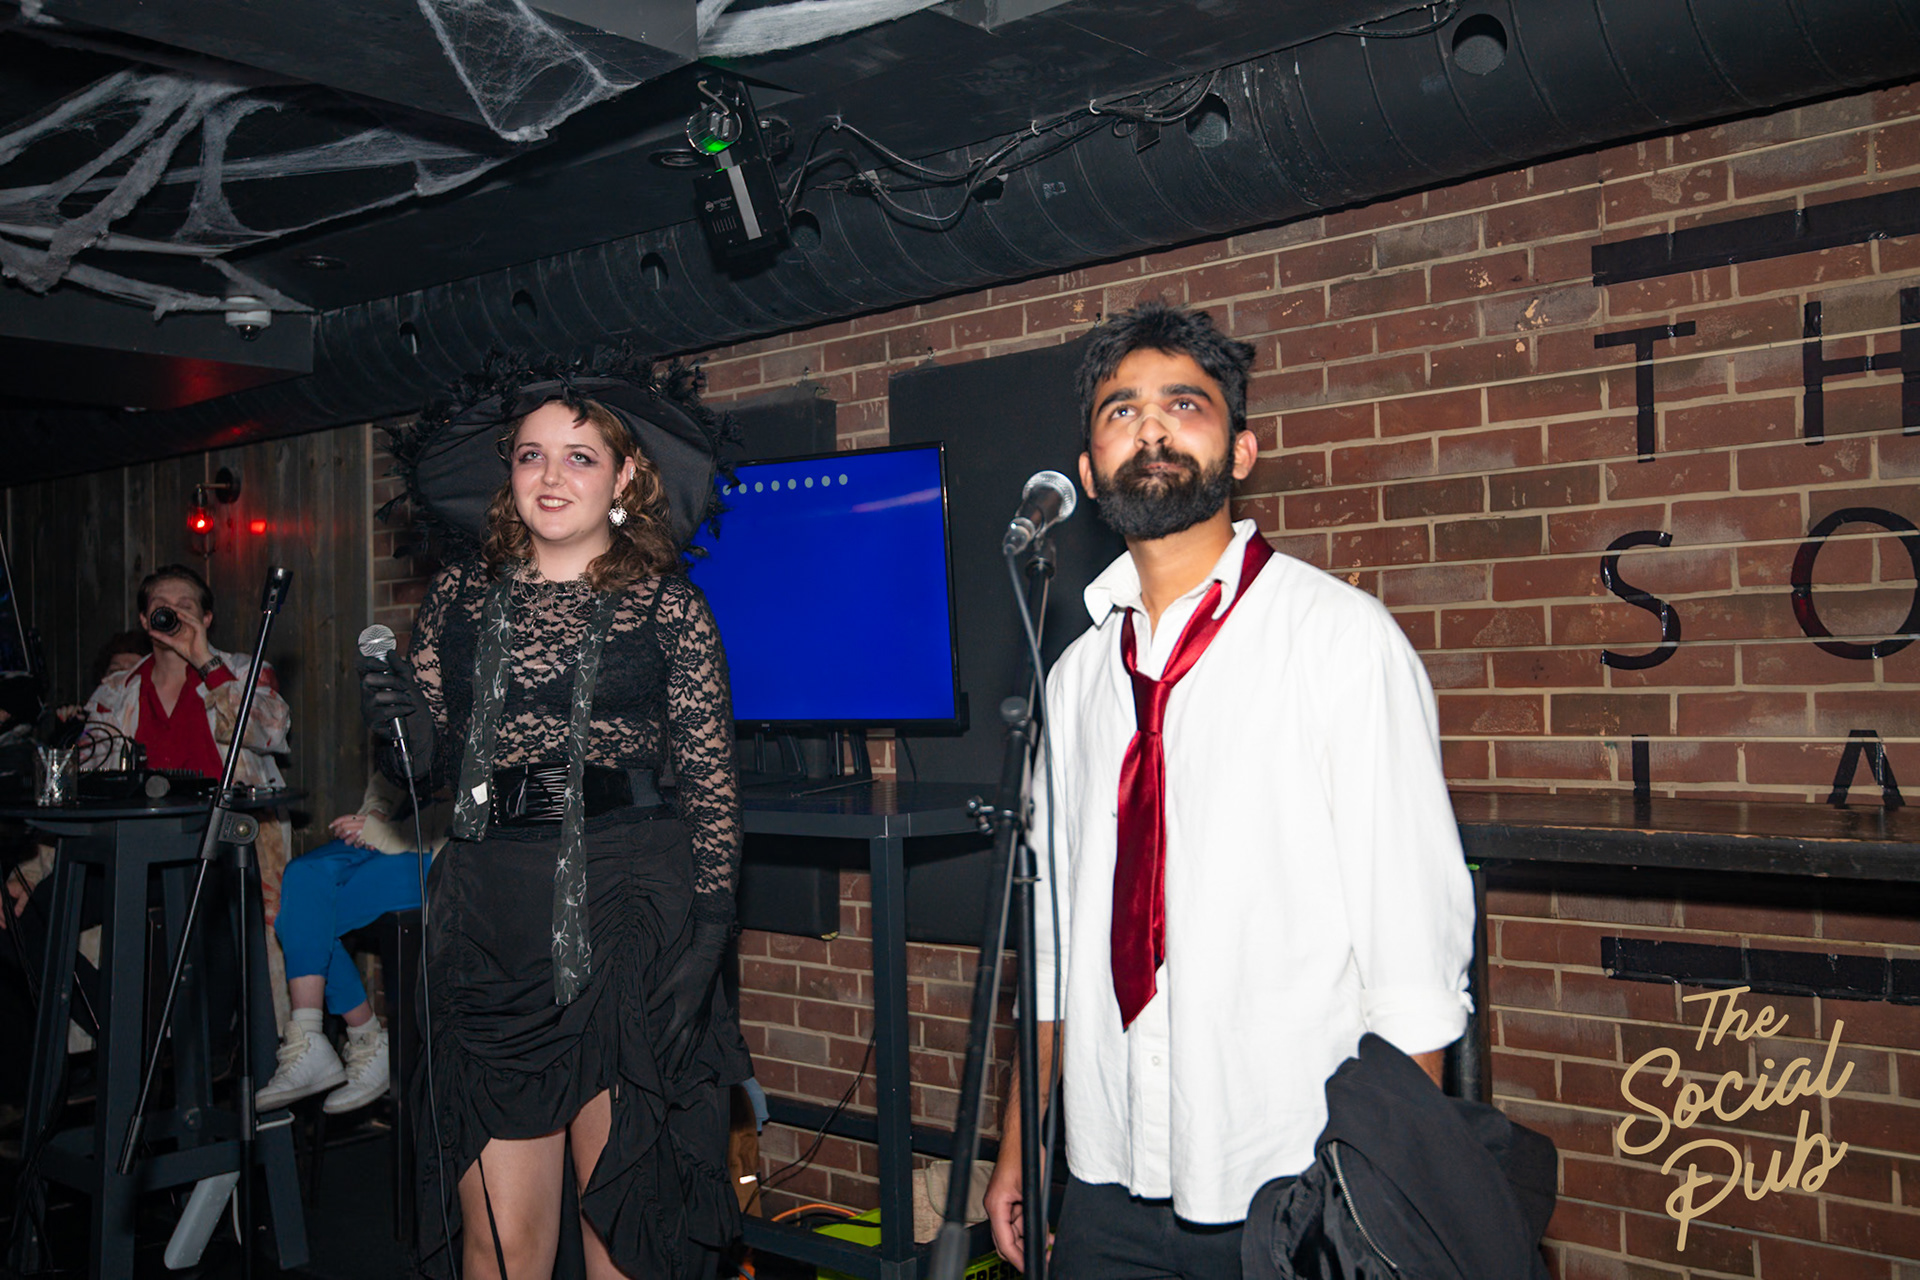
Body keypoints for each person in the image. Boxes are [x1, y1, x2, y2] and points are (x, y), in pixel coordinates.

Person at [983, 302, 1475, 1279]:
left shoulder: (1339, 641)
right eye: (1121, 411)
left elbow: (1413, 965)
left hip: (1293, 1181)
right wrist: (1019, 1143)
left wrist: (1380, 1207)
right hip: (1103, 1173)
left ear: (1241, 450)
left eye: (1185, 404)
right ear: (1088, 470)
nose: (1150, 428)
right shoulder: (1073, 679)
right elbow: (1053, 946)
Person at [362, 388, 747, 1280]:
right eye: (531, 454)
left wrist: (709, 935)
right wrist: (400, 735)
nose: (551, 475)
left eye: (580, 456)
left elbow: (711, 787)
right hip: (490, 924)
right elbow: (422, 777)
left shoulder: (670, 608)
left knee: (626, 1231)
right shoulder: (457, 598)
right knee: (501, 1244)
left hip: (628, 919)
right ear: (509, 476)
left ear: (625, 477)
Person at [254, 772, 449, 1114]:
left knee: (303, 917)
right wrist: (375, 812)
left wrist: (380, 832)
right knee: (302, 877)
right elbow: (386, 781)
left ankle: (367, 1040)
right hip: (388, 837)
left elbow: (462, 811)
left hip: (441, 855)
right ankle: (318, 1037)